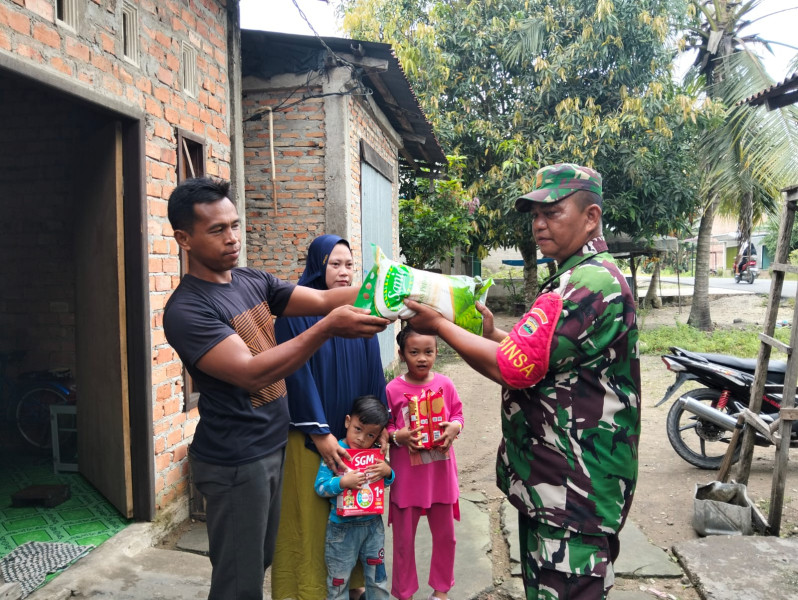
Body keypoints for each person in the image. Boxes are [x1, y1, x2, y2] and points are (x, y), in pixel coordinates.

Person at [403, 163, 640, 599]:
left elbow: (513, 368)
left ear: (591, 217)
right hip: (555, 485)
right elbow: (546, 357)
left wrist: (438, 324)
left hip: (574, 492)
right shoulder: (577, 273)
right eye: (534, 214)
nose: (538, 224)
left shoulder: (589, 283)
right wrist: (489, 333)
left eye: (552, 212)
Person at [162, 177, 389, 600]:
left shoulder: (250, 281)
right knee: (238, 580)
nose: (232, 238)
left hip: (270, 447)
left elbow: (324, 301)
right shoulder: (188, 309)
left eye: (234, 225)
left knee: (258, 559)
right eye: (217, 230)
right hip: (235, 459)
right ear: (184, 238)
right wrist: (326, 331)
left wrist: (397, 291)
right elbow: (250, 372)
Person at [272, 234, 388, 600]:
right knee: (311, 517)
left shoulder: (362, 313)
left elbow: (374, 374)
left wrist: (381, 429)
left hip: (355, 439)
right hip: (311, 439)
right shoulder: (294, 313)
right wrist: (320, 432)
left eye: (349, 265)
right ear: (317, 264)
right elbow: (296, 375)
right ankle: (305, 591)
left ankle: (353, 588)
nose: (343, 271)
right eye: (334, 263)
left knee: (355, 512)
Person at [386, 323, 464, 600]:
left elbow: (457, 414)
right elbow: (384, 430)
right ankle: (404, 592)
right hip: (407, 479)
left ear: (436, 352)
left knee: (446, 537)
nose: (422, 358)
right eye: (414, 352)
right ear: (402, 353)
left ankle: (441, 591)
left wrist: (455, 426)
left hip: (441, 475)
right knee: (404, 542)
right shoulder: (392, 389)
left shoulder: (445, 384)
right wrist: (398, 435)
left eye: (428, 351)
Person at [314, 395, 394, 600]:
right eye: (358, 429)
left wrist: (387, 471)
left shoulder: (374, 453)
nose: (361, 438)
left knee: (377, 579)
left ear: (377, 437)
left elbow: (384, 483)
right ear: (348, 421)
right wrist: (342, 483)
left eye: (370, 435)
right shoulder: (336, 451)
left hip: (372, 526)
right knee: (338, 582)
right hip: (341, 528)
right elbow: (320, 487)